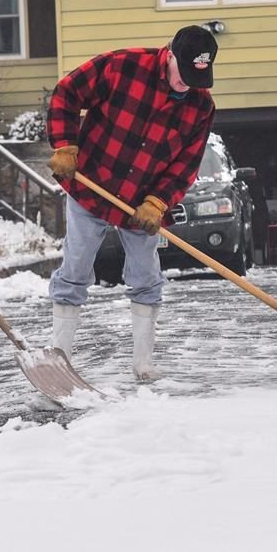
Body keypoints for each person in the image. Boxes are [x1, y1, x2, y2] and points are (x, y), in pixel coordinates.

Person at [46, 24, 218, 380]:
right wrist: (65, 144)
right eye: (183, 75)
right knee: (76, 267)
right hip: (93, 183)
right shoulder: (123, 66)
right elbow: (67, 92)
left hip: (142, 202)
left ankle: (143, 364)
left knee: (146, 275)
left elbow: (186, 163)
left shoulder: (200, 105)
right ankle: (59, 358)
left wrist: (158, 202)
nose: (187, 85)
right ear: (169, 55)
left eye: (195, 78)